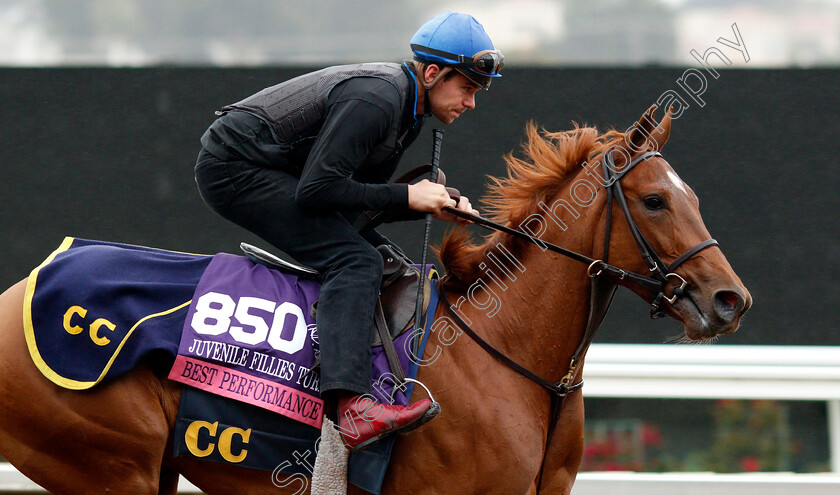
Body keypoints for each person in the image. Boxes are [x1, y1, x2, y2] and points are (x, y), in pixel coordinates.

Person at [194, 11, 503, 451]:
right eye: (468, 88)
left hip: (279, 173)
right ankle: (352, 410)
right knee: (355, 260)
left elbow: (354, 205)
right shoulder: (379, 102)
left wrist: (431, 202)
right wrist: (408, 197)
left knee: (378, 257)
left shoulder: (409, 111)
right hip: (234, 169)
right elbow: (317, 191)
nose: (471, 102)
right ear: (433, 73)